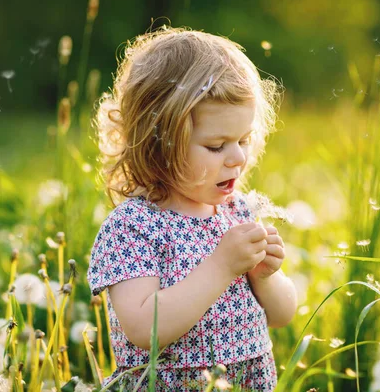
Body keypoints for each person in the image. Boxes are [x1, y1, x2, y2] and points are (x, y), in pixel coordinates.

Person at [87, 26, 298, 391]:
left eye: (244, 140)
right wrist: (220, 267)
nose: (237, 158)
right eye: (216, 146)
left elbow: (282, 316)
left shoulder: (238, 213)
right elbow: (142, 329)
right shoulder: (134, 226)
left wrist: (266, 277)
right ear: (159, 143)